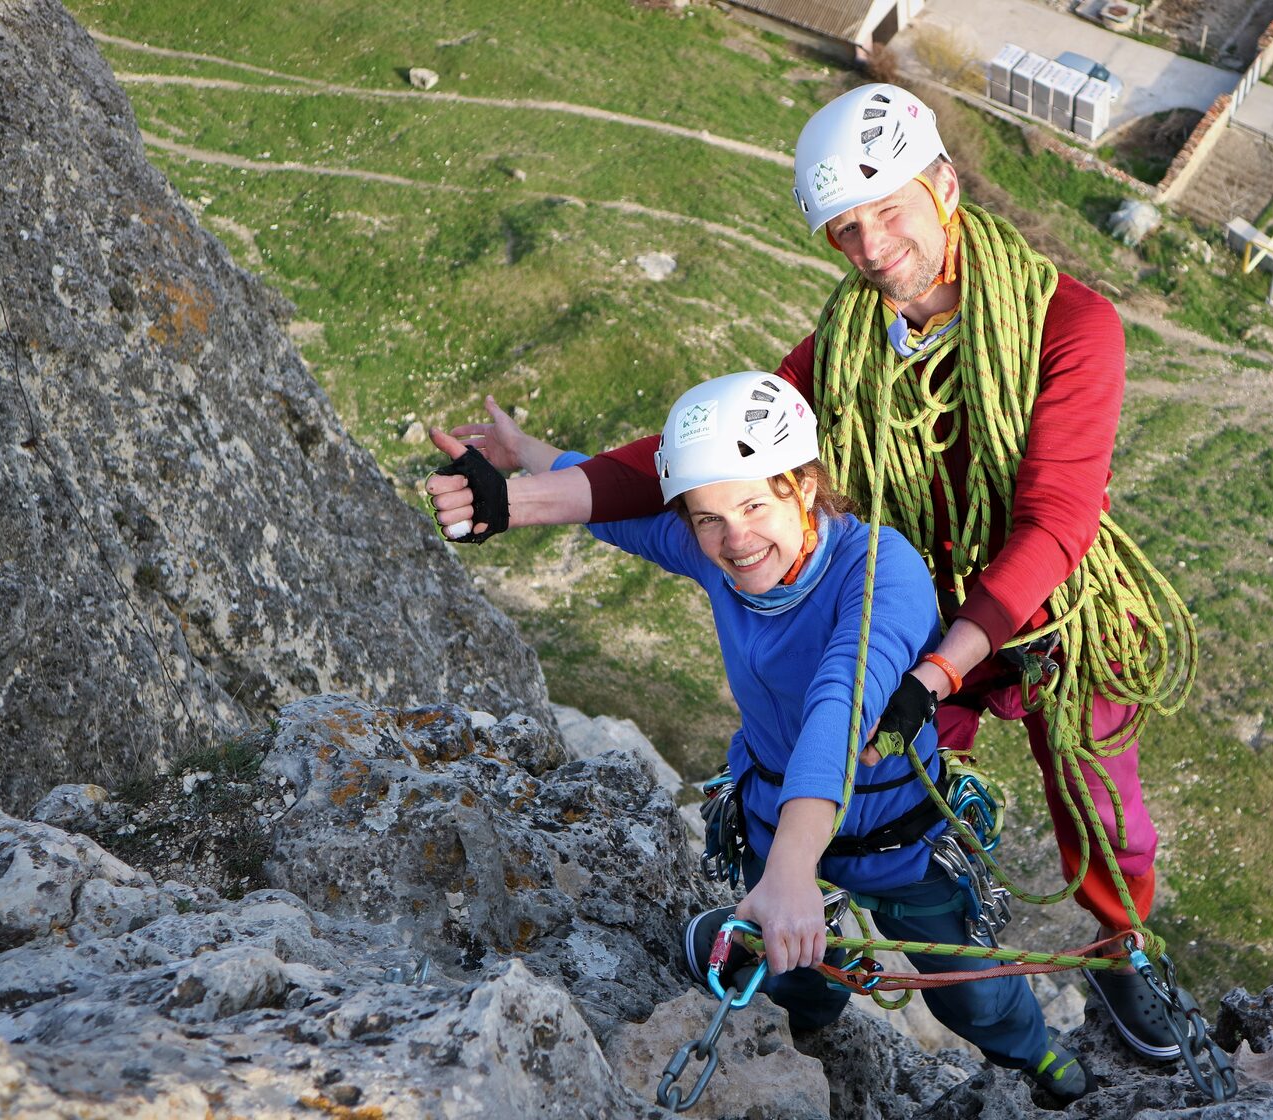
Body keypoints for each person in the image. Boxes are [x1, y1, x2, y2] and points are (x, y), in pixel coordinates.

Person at [426, 83, 1186, 1061]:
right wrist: (527, 492)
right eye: (845, 230)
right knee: (867, 764)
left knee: (1106, 807)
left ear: (945, 186)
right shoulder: (852, 344)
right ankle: (809, 923)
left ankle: (1124, 946)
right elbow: (723, 452)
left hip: (1045, 613)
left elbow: (1057, 520)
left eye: (890, 210)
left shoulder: (1070, 328)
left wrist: (942, 669)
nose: (871, 250)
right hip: (927, 604)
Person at [426, 372, 1093, 1101]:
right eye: (707, 517)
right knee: (803, 980)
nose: (736, 540)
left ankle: (1033, 1053)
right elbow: (611, 512)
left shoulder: (879, 572)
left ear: (804, 486)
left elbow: (838, 712)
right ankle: (797, 1017)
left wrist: (789, 875)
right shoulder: (717, 554)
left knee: (970, 992)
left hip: (895, 833)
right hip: (774, 816)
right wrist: (523, 464)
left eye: (752, 504)